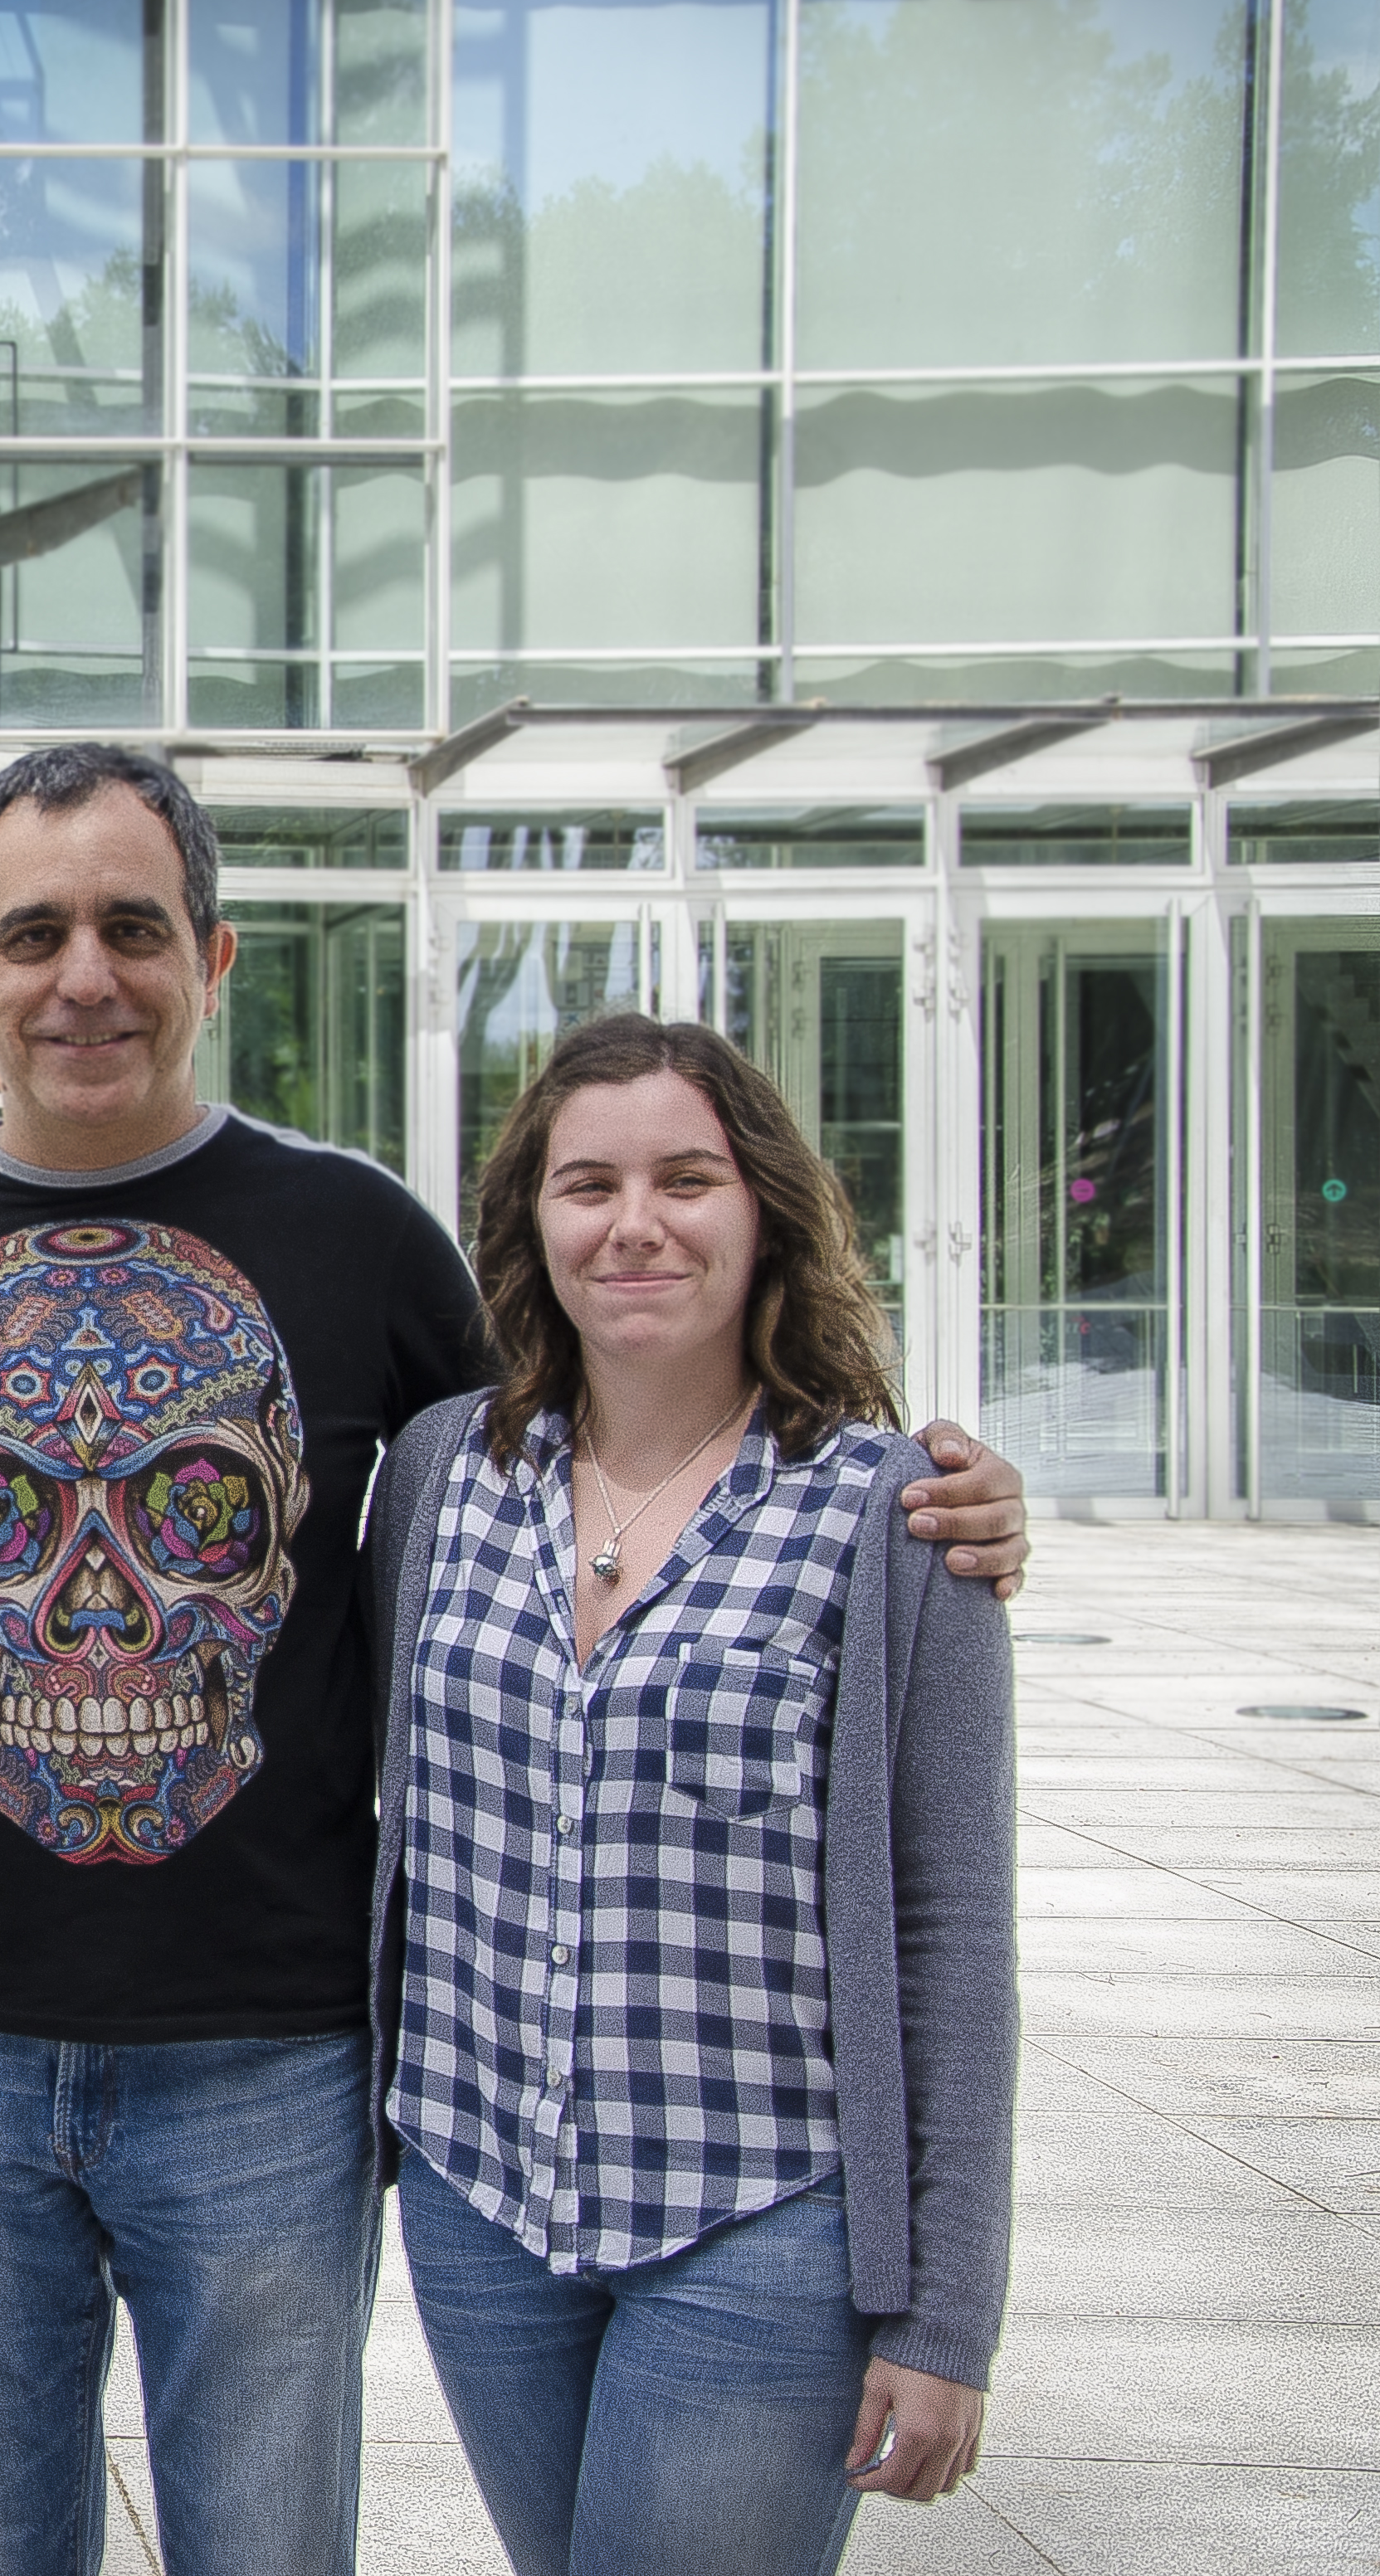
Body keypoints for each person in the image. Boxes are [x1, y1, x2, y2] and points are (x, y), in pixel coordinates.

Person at [0, 742, 1028, 2576]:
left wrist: (942, 1492)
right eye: (30, 932)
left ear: (215, 955)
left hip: (275, 2060)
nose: (83, 977)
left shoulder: (359, 1238)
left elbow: (606, 1429)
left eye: (133, 925)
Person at [364, 1013, 1012, 2576]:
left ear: (765, 1210)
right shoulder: (445, 1470)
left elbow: (952, 1930)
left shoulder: (896, 1515)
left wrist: (946, 2317)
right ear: (531, 1220)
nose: (635, 1222)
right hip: (478, 2203)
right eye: (588, 1183)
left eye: (687, 1178)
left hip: (759, 2229)